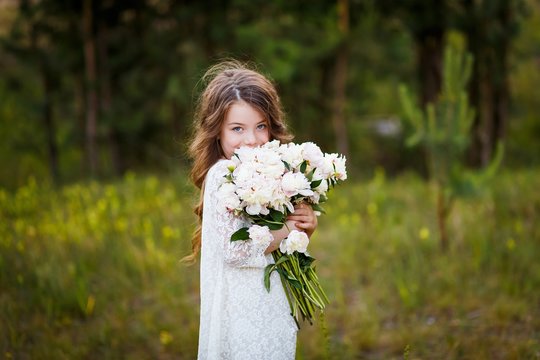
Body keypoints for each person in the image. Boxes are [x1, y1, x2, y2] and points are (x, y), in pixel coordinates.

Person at [185, 61, 318, 360]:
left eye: (261, 126)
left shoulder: (267, 169)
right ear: (216, 131)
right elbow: (237, 251)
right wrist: (287, 229)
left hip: (271, 303)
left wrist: (304, 227)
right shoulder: (223, 174)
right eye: (237, 129)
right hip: (242, 313)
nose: (252, 139)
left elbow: (279, 244)